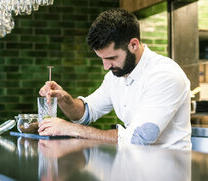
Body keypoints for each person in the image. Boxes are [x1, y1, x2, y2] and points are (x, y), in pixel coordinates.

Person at [38, 8, 191, 150]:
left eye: (111, 57)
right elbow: (85, 113)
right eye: (102, 59)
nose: (106, 66)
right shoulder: (116, 76)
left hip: (167, 174)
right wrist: (64, 99)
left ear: (133, 44)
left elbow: (140, 138)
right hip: (134, 171)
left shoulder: (165, 75)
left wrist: (72, 129)